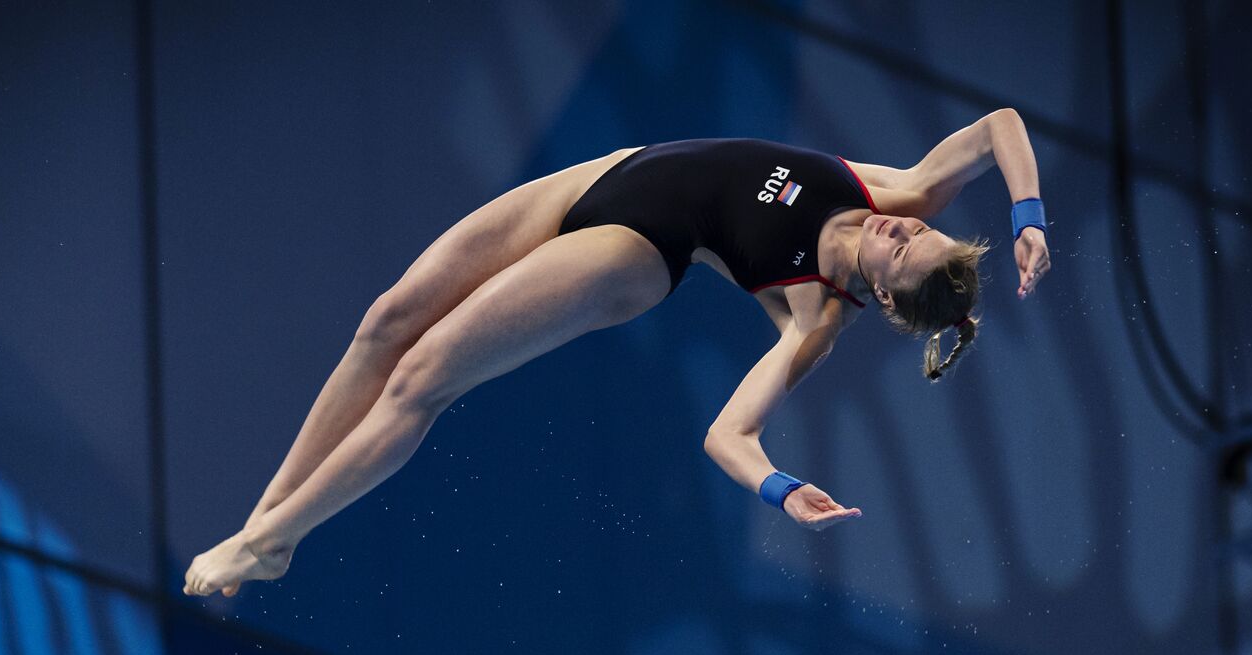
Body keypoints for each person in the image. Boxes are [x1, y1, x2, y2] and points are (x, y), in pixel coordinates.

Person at [183, 108, 1051, 597]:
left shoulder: (817, 315)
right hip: (609, 172)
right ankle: (266, 528)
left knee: (423, 375)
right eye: (922, 231)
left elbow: (730, 435)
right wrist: (1028, 216)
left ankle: (273, 537)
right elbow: (1001, 128)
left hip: (633, 249)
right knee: (387, 320)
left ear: (888, 297)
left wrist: (781, 491)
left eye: (908, 251)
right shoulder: (900, 191)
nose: (904, 230)